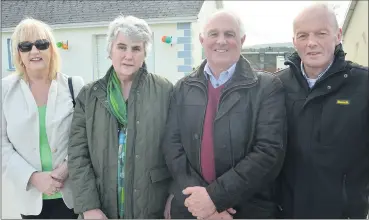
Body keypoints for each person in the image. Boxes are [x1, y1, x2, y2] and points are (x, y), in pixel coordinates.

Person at [162, 10, 287, 219]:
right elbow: (172, 147)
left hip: (247, 209)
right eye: (213, 34)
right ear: (202, 40)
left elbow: (268, 153)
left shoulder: (267, 88)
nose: (221, 41)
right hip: (191, 207)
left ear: (242, 40)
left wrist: (215, 199)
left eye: (229, 34)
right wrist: (202, 201)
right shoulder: (182, 88)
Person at [68, 15, 173, 219]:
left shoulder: (165, 90)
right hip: (101, 206)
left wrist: (174, 193)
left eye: (136, 49)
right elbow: (78, 155)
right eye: (122, 47)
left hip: (151, 205)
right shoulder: (89, 96)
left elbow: (177, 148)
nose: (128, 55)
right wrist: (89, 207)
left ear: (145, 53)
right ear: (110, 51)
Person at [275, 3, 369, 219]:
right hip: (284, 212)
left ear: (337, 35)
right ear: (294, 41)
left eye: (321, 33)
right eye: (303, 35)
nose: (311, 43)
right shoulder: (275, 86)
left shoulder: (363, 85)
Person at [2, 18, 84, 219]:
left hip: (71, 197)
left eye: (41, 44)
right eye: (26, 46)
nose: (34, 51)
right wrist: (33, 177)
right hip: (30, 199)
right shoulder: (4, 91)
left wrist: (66, 168)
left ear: (51, 49)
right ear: (19, 54)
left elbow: (85, 139)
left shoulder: (75, 86)